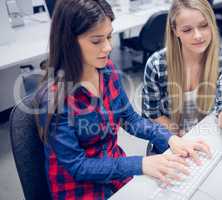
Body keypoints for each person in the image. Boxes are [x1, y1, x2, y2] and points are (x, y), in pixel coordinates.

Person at [34, 0, 210, 199]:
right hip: (80, 188)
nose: (108, 47)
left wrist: (170, 138)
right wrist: (140, 164)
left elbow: (130, 119)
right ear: (69, 41)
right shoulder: (53, 99)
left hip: (115, 170)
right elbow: (78, 166)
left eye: (109, 36)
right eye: (96, 41)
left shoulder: (106, 69)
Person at [142, 0, 222, 137]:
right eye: (187, 30)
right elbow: (151, 115)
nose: (198, 36)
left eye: (204, 26)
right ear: (175, 30)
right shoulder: (157, 64)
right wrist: (181, 137)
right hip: (169, 140)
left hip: (208, 138)